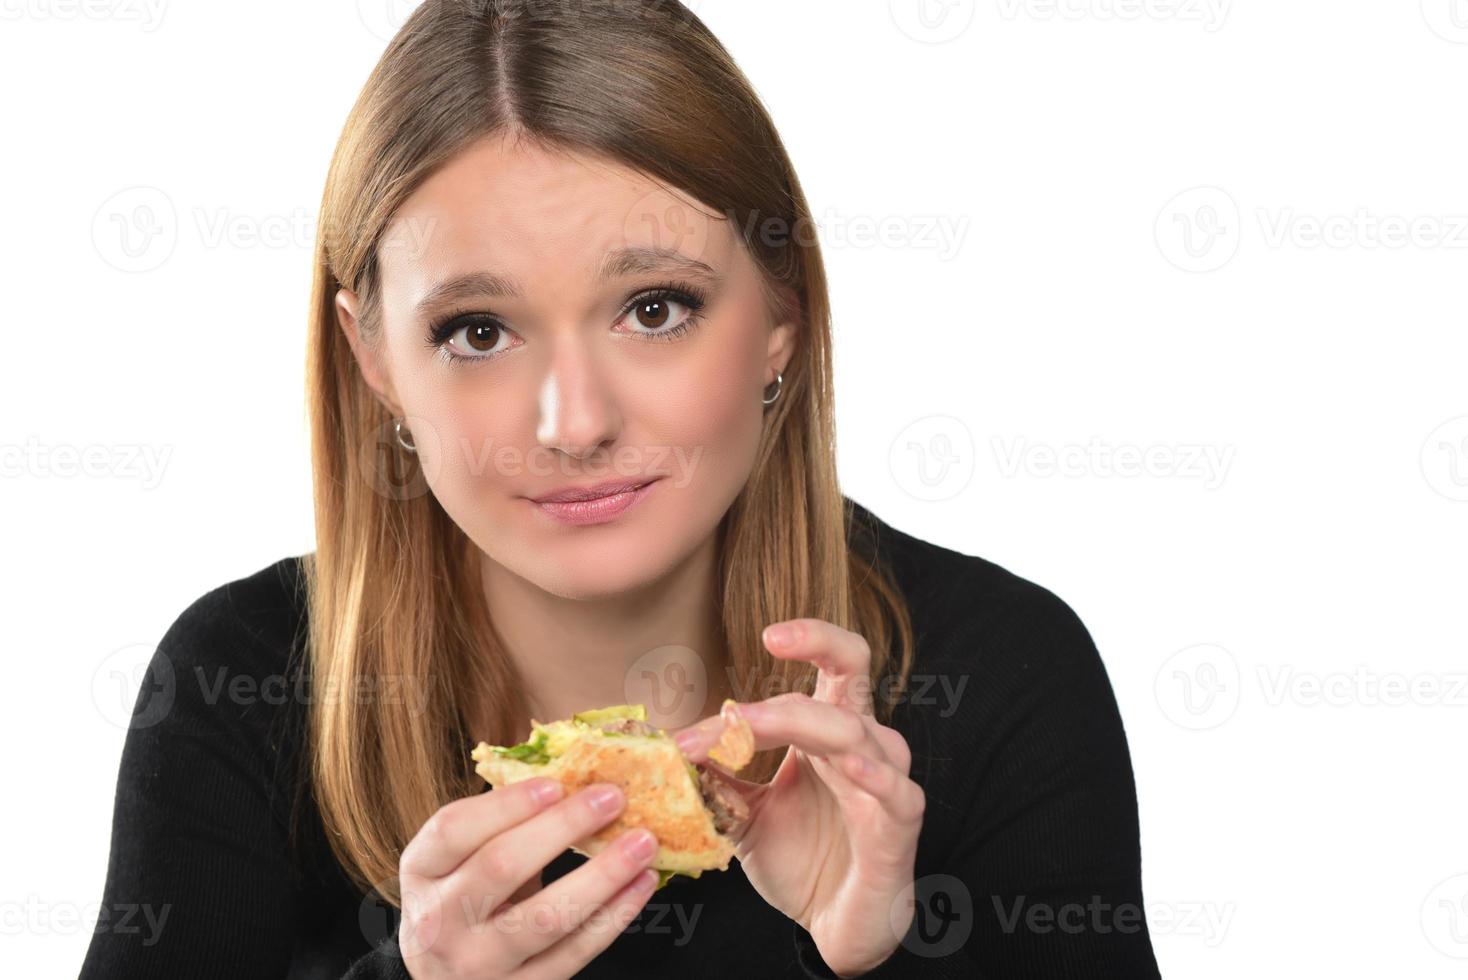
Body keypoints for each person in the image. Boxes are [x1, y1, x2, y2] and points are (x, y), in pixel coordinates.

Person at [80, 2, 1161, 977]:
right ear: (374, 364)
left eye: (653, 308)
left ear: (780, 316)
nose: (575, 422)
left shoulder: (1003, 674)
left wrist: (870, 963)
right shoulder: (243, 690)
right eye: (478, 330)